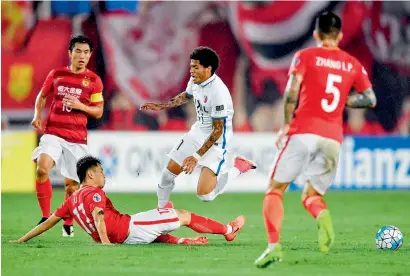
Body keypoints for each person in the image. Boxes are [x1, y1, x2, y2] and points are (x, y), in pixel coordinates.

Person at [254, 12, 377, 268]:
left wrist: (286, 125)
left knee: (275, 190)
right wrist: (344, 101)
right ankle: (322, 216)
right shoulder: (352, 64)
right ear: (340, 36)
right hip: (333, 138)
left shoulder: (305, 56)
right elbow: (369, 99)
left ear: (316, 34)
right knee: (311, 194)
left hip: (303, 132)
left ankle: (274, 246)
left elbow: (291, 92)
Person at [9, 156, 245, 245]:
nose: (104, 175)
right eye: (100, 171)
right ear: (90, 175)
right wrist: (106, 244)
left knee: (158, 219)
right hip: (126, 231)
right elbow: (98, 216)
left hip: (127, 228)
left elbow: (48, 223)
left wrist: (22, 239)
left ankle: (184, 241)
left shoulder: (73, 199)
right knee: (183, 215)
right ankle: (228, 230)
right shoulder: (95, 193)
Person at [141, 46, 256, 208]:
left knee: (206, 196)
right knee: (167, 175)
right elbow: (186, 96)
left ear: (208, 69)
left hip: (216, 142)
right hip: (197, 133)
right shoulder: (196, 80)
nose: (191, 71)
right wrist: (161, 106)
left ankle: (239, 167)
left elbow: (218, 131)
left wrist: (196, 157)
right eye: (191, 67)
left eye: (195, 67)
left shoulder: (218, 93)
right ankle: (161, 211)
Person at [31, 35, 104, 237]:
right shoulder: (57, 74)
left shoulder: (94, 81)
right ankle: (45, 217)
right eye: (78, 51)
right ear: (70, 53)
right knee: (42, 168)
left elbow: (98, 111)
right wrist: (37, 115)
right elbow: (43, 95)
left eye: (86, 52)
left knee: (71, 186)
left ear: (90, 55)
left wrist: (80, 106)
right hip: (53, 132)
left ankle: (67, 222)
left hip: (77, 138)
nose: (82, 56)